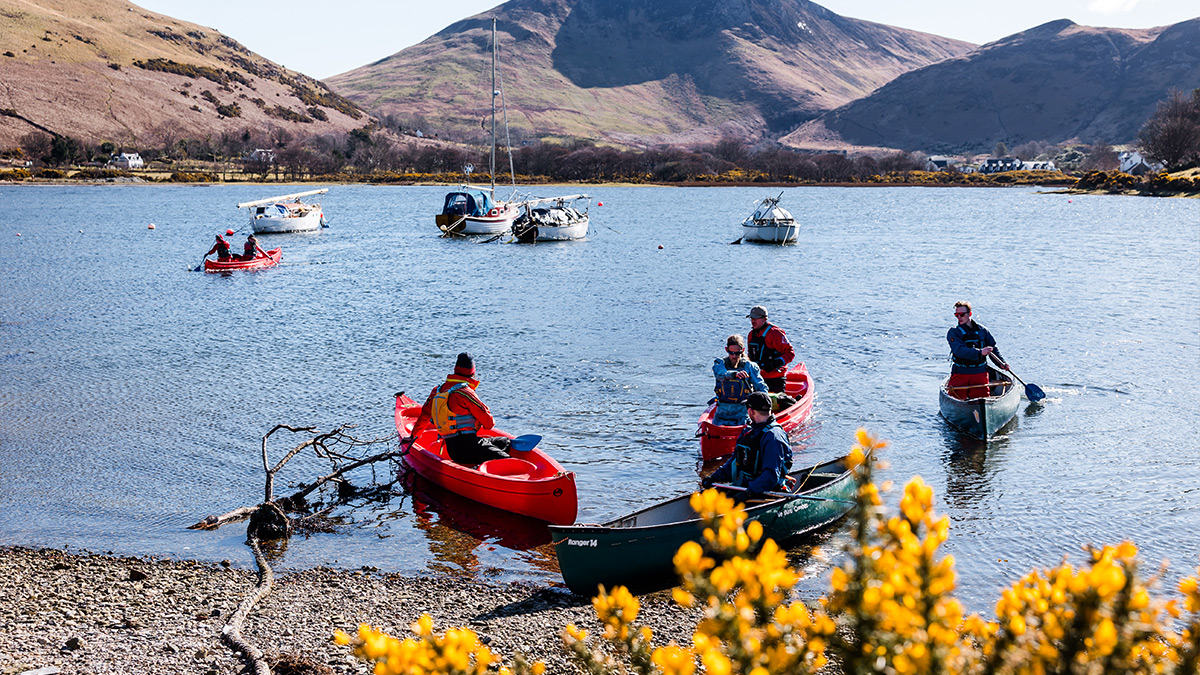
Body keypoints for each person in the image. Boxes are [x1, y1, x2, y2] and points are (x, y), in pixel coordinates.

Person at [408, 352, 511, 466]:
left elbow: (425, 415)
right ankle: (481, 471)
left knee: (504, 442)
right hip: (467, 447)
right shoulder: (465, 392)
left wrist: (413, 436)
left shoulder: (438, 390)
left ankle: (479, 466)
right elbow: (489, 424)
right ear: (473, 372)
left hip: (452, 448)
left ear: (455, 369)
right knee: (508, 460)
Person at [702, 392, 793, 497]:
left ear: (751, 411)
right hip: (746, 487)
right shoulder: (748, 431)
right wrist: (713, 477)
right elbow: (735, 462)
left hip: (765, 492)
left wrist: (748, 493)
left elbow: (771, 475)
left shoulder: (773, 437)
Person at [947, 301, 1009, 400]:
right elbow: (959, 351)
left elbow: (993, 348)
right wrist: (980, 352)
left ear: (970, 314)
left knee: (982, 400)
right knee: (956, 398)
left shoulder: (983, 331)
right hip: (960, 373)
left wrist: (1001, 363)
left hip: (979, 373)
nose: (959, 317)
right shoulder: (953, 332)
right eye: (956, 315)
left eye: (962, 314)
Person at [711, 334, 767, 426]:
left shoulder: (750, 367)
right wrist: (734, 374)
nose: (734, 356)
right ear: (726, 350)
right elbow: (720, 374)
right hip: (722, 413)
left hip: (742, 414)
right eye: (731, 353)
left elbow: (761, 387)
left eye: (737, 353)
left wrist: (762, 406)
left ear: (743, 351)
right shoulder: (719, 364)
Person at [746, 305, 795, 394]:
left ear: (764, 319)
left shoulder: (775, 333)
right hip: (758, 378)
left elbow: (790, 353)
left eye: (756, 318)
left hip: (775, 378)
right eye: (752, 318)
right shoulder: (751, 335)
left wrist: (775, 364)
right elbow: (749, 356)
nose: (753, 321)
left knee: (775, 404)